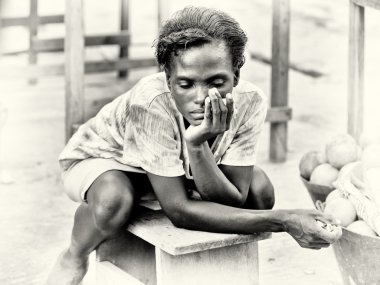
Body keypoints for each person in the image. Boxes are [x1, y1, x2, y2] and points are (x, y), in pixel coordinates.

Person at [47, 6, 342, 285]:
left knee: (260, 192)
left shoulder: (250, 102)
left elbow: (234, 199)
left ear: (236, 76)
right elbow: (179, 211)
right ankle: (75, 253)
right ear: (168, 79)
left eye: (216, 82)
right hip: (109, 161)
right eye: (185, 84)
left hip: (176, 170)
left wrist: (197, 145)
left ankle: (167, 187)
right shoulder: (151, 102)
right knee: (114, 199)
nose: (201, 97)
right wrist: (286, 220)